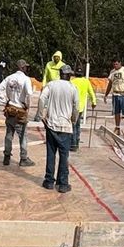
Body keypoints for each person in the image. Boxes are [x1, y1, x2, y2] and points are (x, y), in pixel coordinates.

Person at [38, 64, 79, 193]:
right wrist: (73, 119)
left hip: (51, 124)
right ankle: (63, 183)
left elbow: (42, 98)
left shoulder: (51, 85)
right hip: (65, 126)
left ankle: (49, 181)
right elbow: (76, 107)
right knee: (63, 155)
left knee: (51, 153)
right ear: (68, 75)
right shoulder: (73, 88)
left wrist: (41, 115)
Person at [0, 60, 36, 168]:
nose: (27, 69)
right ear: (23, 68)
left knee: (9, 134)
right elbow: (28, 95)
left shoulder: (9, 78)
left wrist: (5, 100)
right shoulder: (26, 79)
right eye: (26, 67)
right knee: (23, 136)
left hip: (10, 109)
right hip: (20, 110)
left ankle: (6, 157)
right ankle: (23, 158)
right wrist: (27, 107)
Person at [103, 59, 124, 139]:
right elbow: (110, 84)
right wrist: (106, 94)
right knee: (116, 112)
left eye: (116, 64)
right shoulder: (112, 72)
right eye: (114, 64)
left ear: (120, 63)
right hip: (115, 94)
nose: (115, 66)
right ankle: (117, 128)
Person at [69, 67, 97, 151]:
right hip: (81, 107)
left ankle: (73, 144)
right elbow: (91, 92)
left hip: (73, 107)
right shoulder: (86, 81)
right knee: (77, 125)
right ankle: (76, 142)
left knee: (73, 125)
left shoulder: (72, 81)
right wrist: (94, 102)